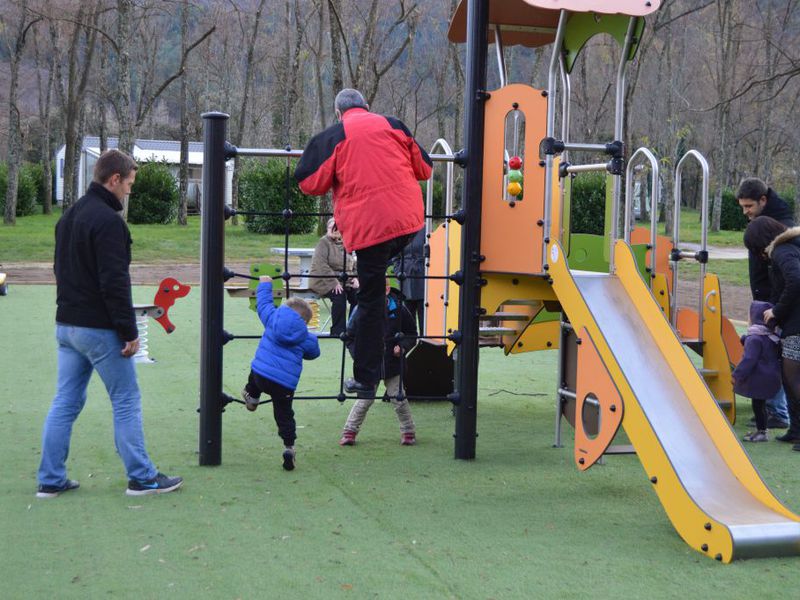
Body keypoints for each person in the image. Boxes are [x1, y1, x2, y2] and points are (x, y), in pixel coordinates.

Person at [37, 149, 183, 498]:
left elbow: (61, 271)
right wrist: (129, 332)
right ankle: (142, 477)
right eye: (129, 184)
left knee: (65, 402)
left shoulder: (69, 216)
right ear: (113, 179)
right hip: (98, 328)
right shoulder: (108, 223)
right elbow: (115, 281)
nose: (129, 191)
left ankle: (50, 479)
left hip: (66, 325)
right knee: (126, 399)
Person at [295, 88, 432, 398]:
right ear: (368, 107)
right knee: (378, 280)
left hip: (370, 232)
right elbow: (425, 168)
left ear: (338, 112)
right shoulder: (394, 125)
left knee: (370, 302)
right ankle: (387, 295)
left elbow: (308, 183)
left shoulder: (332, 137)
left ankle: (367, 378)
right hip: (409, 224)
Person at [241, 276, 321, 471]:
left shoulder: (272, 317)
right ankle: (289, 447)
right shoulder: (305, 337)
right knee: (284, 414)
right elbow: (314, 353)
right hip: (284, 384)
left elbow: (263, 303)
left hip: (261, 375)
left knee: (255, 373)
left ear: (285, 309)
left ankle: (252, 398)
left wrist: (265, 283)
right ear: (305, 321)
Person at [737, 177, 794, 429]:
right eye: (742, 207)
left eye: (749, 206)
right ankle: (777, 410)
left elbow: (792, 277)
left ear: (763, 200)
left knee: (778, 356)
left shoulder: (779, 232)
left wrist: (777, 308)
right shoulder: (767, 225)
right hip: (767, 296)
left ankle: (779, 412)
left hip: (775, 300)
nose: (745, 212)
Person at [744, 216, 800, 450]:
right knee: (789, 380)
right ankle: (796, 430)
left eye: (757, 250)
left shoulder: (781, 251)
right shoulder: (791, 248)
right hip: (794, 323)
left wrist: (776, 310)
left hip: (796, 325)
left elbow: (796, 279)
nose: (759, 256)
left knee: (794, 378)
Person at [338, 281, 418, 446]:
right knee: (364, 399)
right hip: (370, 365)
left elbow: (412, 334)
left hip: (393, 364)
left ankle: (408, 432)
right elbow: (349, 337)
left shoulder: (400, 308)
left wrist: (402, 347)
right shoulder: (361, 310)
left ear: (387, 290)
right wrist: (360, 357)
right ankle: (349, 432)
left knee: (399, 398)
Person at [732, 301, 782, 442]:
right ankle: (762, 430)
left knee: (758, 405)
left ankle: (762, 432)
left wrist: (737, 375)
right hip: (771, 376)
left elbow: (749, 359)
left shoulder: (754, 338)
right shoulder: (772, 336)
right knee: (761, 405)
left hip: (760, 377)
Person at [309, 217, 358, 336]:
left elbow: (355, 263)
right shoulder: (323, 242)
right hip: (323, 280)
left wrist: (356, 277)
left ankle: (353, 329)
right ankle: (338, 331)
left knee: (359, 295)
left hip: (346, 280)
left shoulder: (348, 243)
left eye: (337, 228)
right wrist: (334, 282)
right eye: (332, 227)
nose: (334, 230)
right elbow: (321, 265)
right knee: (339, 296)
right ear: (327, 229)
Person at [391, 226, 426, 334]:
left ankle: (425, 341)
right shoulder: (401, 230)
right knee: (407, 315)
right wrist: (398, 271)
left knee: (424, 313)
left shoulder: (425, 229)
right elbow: (395, 256)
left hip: (422, 274)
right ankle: (409, 343)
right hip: (405, 276)